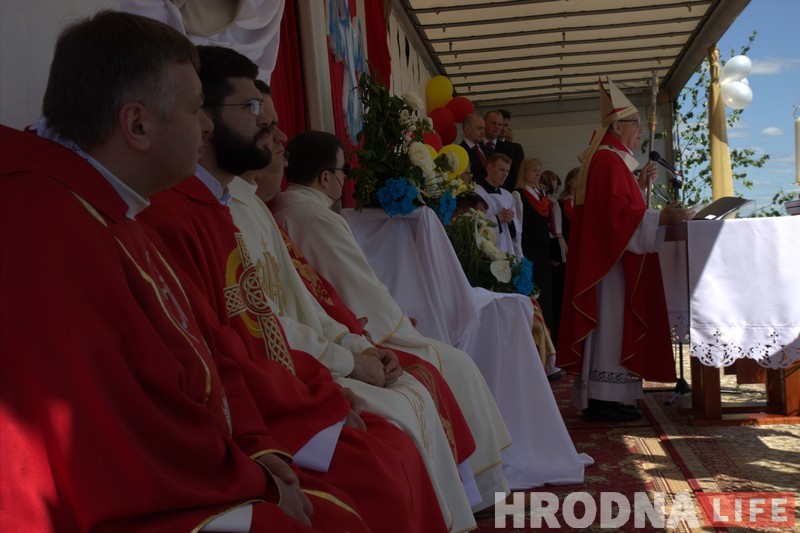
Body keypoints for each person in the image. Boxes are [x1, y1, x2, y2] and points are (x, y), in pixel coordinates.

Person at [0, 11, 323, 531]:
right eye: (196, 108)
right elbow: (105, 425)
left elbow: (206, 342)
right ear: (137, 124)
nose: (207, 125)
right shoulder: (44, 223)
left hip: (188, 463)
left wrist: (258, 452)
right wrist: (254, 482)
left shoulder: (108, 201)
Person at [141, 44, 452, 533]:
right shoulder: (167, 212)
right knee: (375, 476)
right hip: (238, 423)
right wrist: (320, 394)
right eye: (251, 112)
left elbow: (271, 317)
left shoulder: (219, 207)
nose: (274, 132)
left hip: (273, 395)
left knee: (387, 453)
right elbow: (221, 347)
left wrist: (337, 366)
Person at [218, 74, 480, 531]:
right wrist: (351, 353)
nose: (280, 138)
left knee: (416, 391)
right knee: (408, 404)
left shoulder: (256, 206)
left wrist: (351, 343)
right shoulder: (232, 211)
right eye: (260, 119)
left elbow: (305, 298)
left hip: (313, 356)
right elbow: (261, 323)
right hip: (284, 378)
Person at [272, 130, 594, 492]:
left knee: (452, 363)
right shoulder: (319, 218)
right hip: (345, 335)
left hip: (328, 328)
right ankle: (479, 486)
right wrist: (395, 323)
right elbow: (357, 284)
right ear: (325, 177)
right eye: (342, 171)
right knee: (456, 364)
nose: (345, 179)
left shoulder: (280, 211)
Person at [558, 78, 695, 422]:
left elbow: (615, 208)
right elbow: (615, 219)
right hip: (611, 266)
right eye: (635, 125)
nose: (641, 133)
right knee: (611, 327)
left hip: (611, 260)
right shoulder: (607, 160)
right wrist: (661, 216)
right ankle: (605, 398)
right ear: (617, 126)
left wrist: (639, 186)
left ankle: (609, 396)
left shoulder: (610, 159)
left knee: (613, 327)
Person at [474, 153, 522, 259]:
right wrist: (497, 218)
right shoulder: (476, 192)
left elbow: (517, 231)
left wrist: (511, 222)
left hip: (507, 248)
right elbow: (474, 224)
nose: (505, 174)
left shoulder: (508, 195)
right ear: (490, 168)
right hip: (485, 252)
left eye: (507, 171)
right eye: (501, 170)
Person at [484, 109, 525, 191]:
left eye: (500, 124)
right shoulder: (476, 146)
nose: (499, 127)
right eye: (493, 123)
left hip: (507, 194)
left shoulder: (511, 149)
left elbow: (518, 175)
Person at [459, 113, 493, 184]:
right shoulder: (460, 151)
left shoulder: (489, 150)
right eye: (479, 129)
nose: (483, 133)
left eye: (484, 128)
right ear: (467, 129)